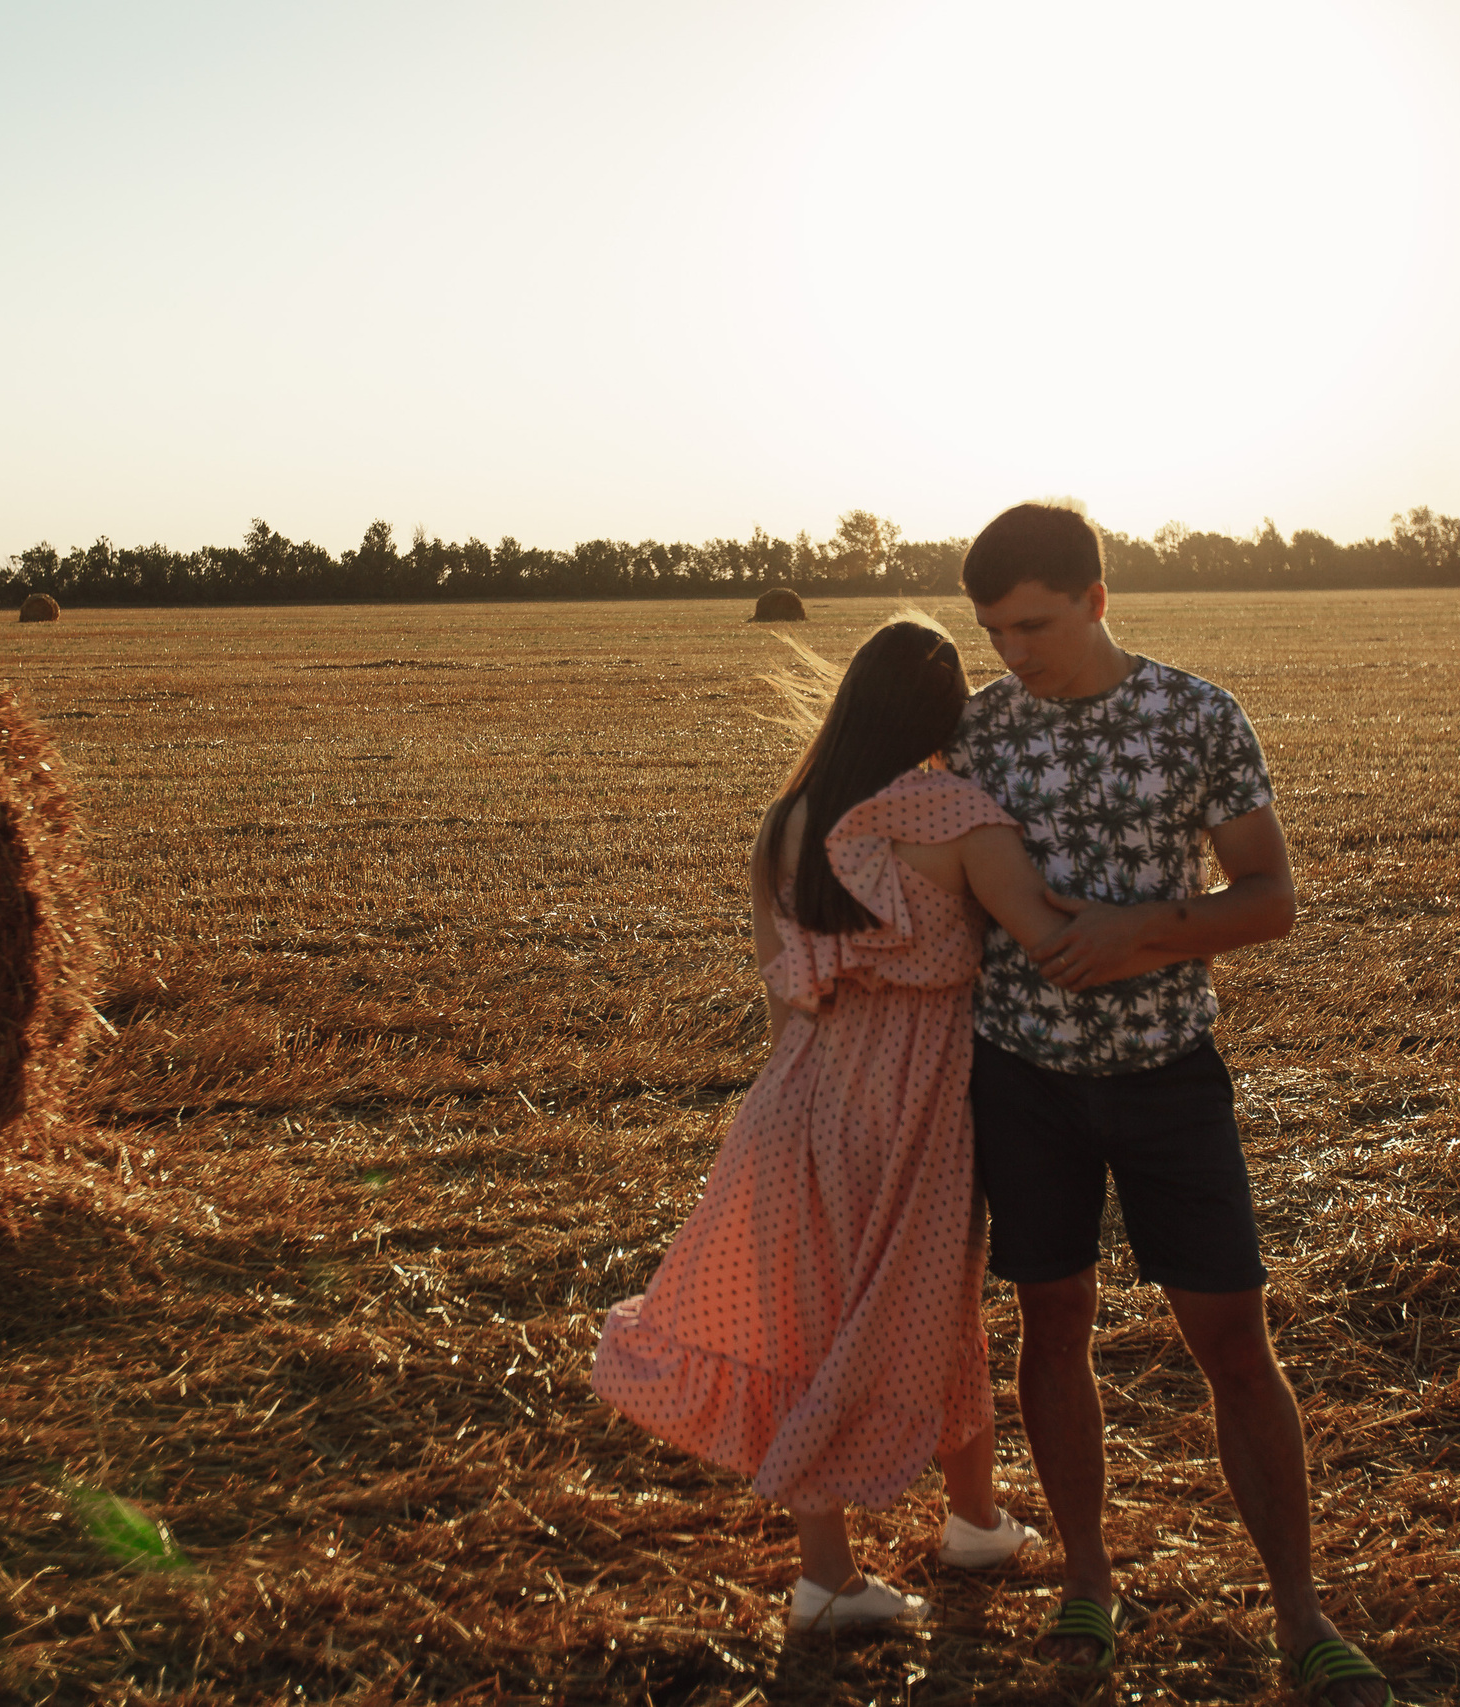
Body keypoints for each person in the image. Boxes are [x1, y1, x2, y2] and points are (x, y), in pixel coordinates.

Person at [947, 500, 1393, 1705]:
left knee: (1234, 1345)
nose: (1013, 654)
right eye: (993, 632)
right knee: (1051, 1321)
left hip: (1168, 1078)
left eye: (1033, 624)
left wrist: (1141, 933)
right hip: (1022, 1075)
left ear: (1096, 598)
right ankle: (1087, 1579)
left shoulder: (1195, 715)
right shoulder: (975, 733)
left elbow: (1269, 897)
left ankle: (1299, 1618)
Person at [590, 615, 1076, 1634]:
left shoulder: (785, 821)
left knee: (809, 1325)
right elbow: (1047, 939)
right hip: (916, 1107)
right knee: (932, 1305)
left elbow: (783, 1001)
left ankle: (847, 1568)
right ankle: (959, 1526)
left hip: (799, 1097)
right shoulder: (958, 818)